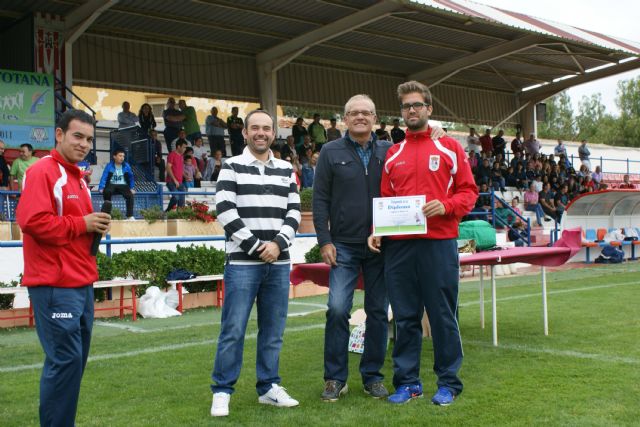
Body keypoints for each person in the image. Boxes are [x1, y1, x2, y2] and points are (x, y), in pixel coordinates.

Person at [368, 80, 477, 406]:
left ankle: (448, 383)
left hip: (438, 244)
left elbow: (468, 192)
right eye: (406, 106)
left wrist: (446, 206)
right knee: (404, 317)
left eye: (417, 105)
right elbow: (387, 199)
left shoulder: (449, 148)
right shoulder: (393, 153)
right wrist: (378, 229)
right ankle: (408, 383)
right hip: (399, 248)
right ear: (401, 112)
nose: (411, 110)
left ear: (429, 109)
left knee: (443, 315)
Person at [16, 109, 111, 427]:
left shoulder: (76, 177)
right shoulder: (44, 171)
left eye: (88, 138)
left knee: (73, 364)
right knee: (65, 362)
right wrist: (82, 223)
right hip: (56, 284)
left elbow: (73, 226)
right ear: (59, 135)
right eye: (77, 136)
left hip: (80, 282)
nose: (84, 144)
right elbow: (31, 221)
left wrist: (92, 226)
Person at [210, 109, 301, 417]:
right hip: (242, 264)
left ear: (273, 133)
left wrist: (277, 245)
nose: (261, 133)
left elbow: (295, 212)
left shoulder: (287, 168)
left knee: (273, 330)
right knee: (233, 329)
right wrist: (257, 246)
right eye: (255, 128)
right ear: (245, 133)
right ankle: (222, 390)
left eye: (266, 128)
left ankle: (269, 387)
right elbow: (224, 210)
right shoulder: (231, 166)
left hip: (278, 262)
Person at [313, 94, 393, 402]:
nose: (360, 117)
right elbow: (320, 200)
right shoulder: (330, 152)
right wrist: (324, 240)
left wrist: (437, 132)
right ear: (345, 119)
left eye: (366, 113)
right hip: (343, 246)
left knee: (377, 312)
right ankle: (335, 378)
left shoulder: (390, 150)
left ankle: (372, 376)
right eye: (354, 113)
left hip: (380, 245)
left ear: (375, 118)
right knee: (336, 309)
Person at [98, 149, 136, 219]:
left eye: (123, 156)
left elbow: (131, 177)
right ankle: (107, 214)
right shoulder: (109, 165)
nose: (122, 158)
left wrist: (132, 187)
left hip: (123, 184)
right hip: (111, 184)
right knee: (107, 191)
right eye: (120, 156)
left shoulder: (126, 166)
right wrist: (101, 187)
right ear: (114, 156)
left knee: (130, 195)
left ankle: (130, 216)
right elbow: (104, 176)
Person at [165, 140, 187, 211]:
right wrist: (174, 180)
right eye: (184, 147)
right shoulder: (172, 154)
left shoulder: (181, 156)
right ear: (178, 146)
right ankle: (167, 211)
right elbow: (168, 168)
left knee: (181, 202)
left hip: (180, 182)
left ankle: (179, 215)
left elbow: (179, 169)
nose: (185, 149)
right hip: (171, 181)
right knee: (176, 197)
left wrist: (186, 176)